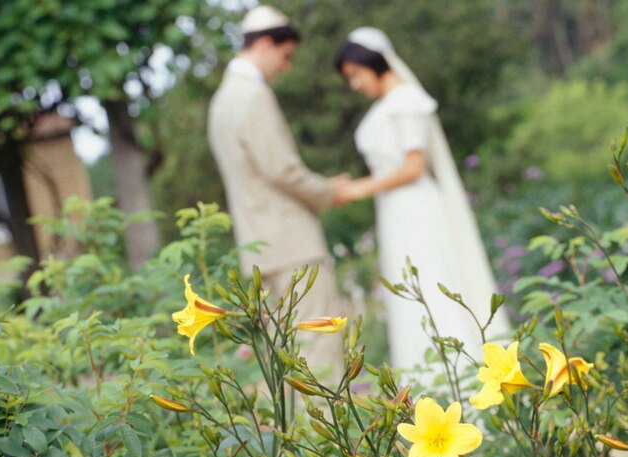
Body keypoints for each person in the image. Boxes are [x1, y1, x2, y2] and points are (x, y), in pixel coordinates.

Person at [334, 27, 511, 379]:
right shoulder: (385, 107)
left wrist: (360, 189)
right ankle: (425, 384)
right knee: (408, 295)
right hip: (394, 213)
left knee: (432, 285)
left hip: (416, 210)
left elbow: (414, 166)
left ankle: (459, 382)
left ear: (373, 63)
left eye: (355, 75)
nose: (355, 85)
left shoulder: (407, 101)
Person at [207, 6, 346, 381]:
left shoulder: (220, 101)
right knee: (318, 347)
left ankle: (292, 439)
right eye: (286, 56)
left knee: (280, 360)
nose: (286, 66)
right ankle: (329, 440)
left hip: (258, 249)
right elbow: (281, 169)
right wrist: (328, 191)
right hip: (292, 244)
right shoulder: (251, 95)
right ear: (266, 43)